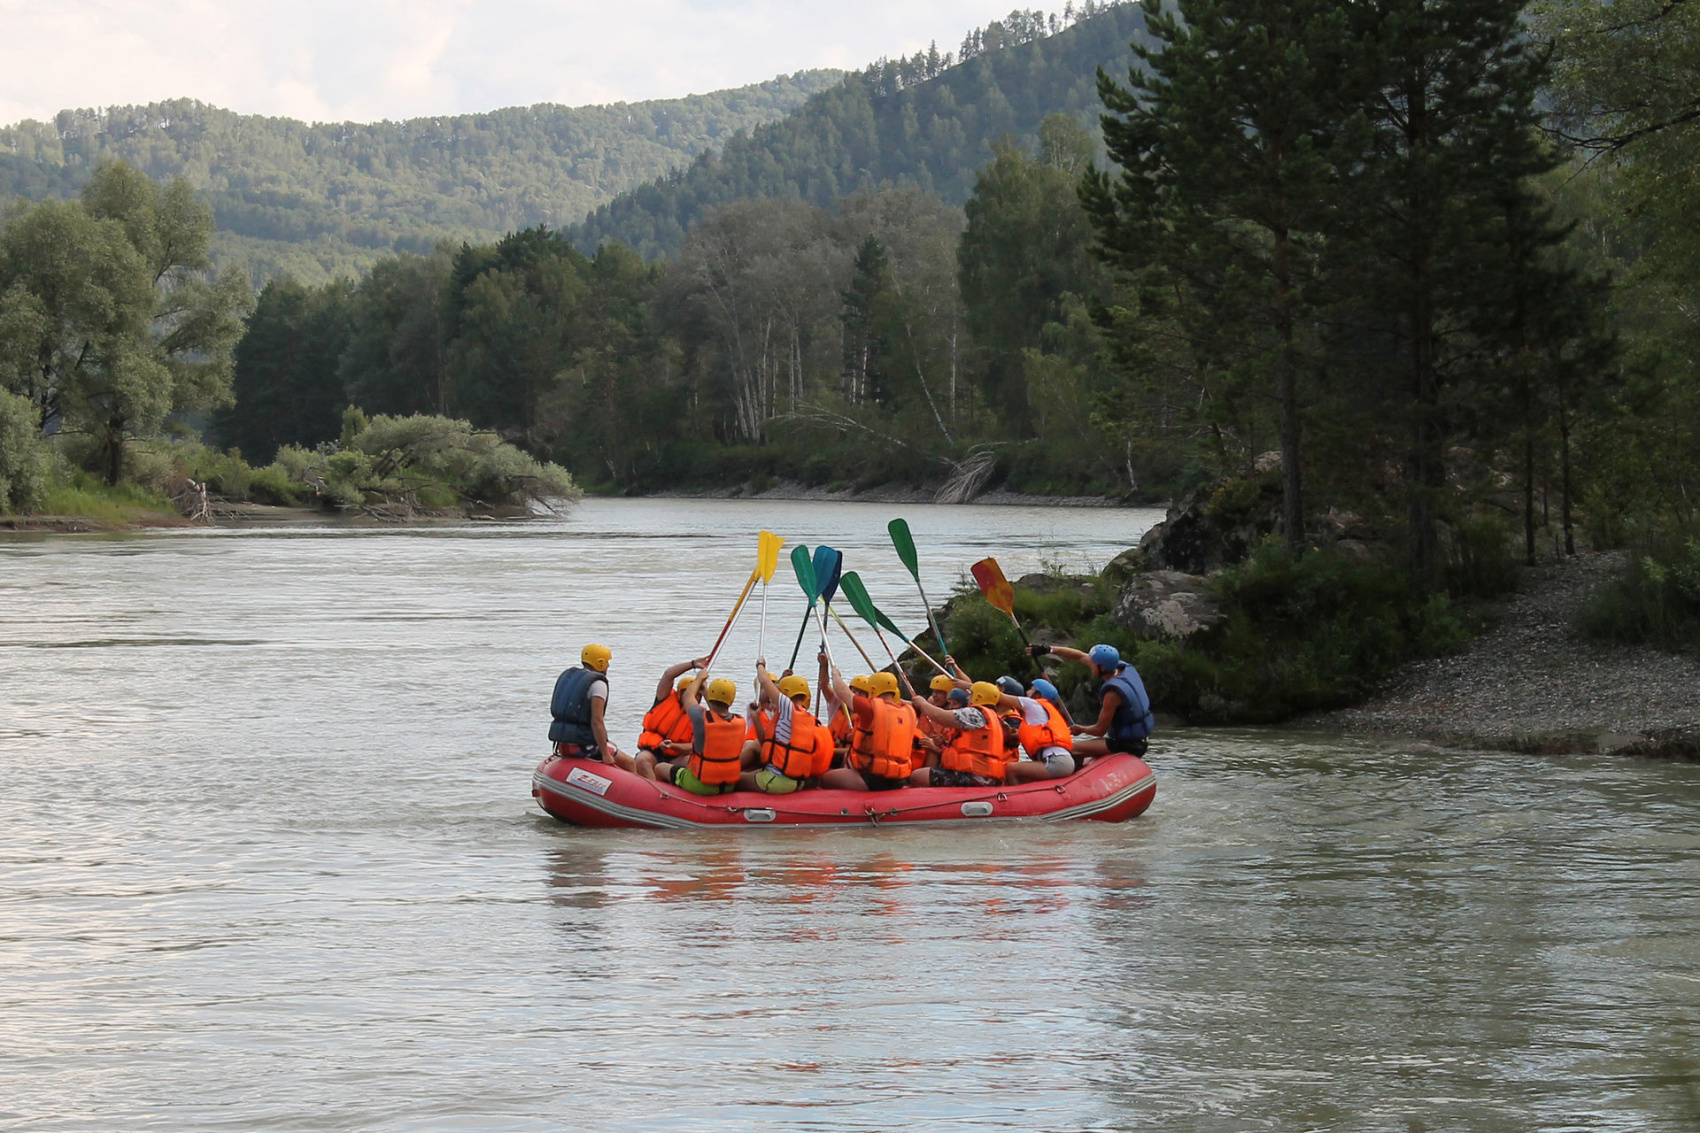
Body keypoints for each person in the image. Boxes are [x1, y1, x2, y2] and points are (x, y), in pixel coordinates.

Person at [1029, 642, 1154, 760]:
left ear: (1102, 667)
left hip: (1128, 745)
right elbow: (1078, 656)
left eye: (1092, 663)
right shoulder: (1120, 668)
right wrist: (1047, 650)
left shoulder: (1113, 694)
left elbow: (1099, 731)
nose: (1089, 664)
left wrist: (1081, 729)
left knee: (1066, 749)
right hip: (1139, 738)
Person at [819, 667, 917, 791]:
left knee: (824, 778)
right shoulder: (908, 711)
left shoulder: (870, 709)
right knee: (847, 759)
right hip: (899, 777)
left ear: (873, 690)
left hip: (871, 778)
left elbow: (841, 691)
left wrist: (835, 674)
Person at [650, 671, 746, 794]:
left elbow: (688, 696)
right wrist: (705, 691)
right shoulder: (740, 721)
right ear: (731, 701)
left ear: (710, 697)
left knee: (660, 767)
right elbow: (718, 716)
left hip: (702, 784)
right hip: (728, 785)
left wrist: (699, 678)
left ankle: (666, 801)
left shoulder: (700, 717)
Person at [909, 681, 1014, 787]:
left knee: (918, 776)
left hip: (976, 776)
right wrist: (944, 743)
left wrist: (923, 704)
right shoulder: (996, 719)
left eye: (971, 694)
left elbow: (940, 716)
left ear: (979, 697)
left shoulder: (975, 714)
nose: (968, 698)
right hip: (984, 775)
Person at [736, 661, 820, 794]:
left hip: (777, 780)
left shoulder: (788, 709)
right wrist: (756, 719)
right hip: (792, 779)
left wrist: (760, 665)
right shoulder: (805, 716)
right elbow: (766, 742)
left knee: (734, 779)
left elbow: (764, 681)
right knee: (754, 771)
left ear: (785, 694)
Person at [549, 643, 633, 771]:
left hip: (562, 744)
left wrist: (605, 742)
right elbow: (596, 721)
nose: (608, 665)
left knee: (611, 745)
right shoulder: (598, 684)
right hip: (581, 746)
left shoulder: (573, 677)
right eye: (607, 662)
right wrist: (605, 754)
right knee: (630, 763)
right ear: (600, 662)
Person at [634, 657, 708, 771]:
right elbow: (668, 675)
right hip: (653, 752)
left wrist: (674, 747)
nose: (693, 697)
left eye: (697, 695)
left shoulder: (700, 715)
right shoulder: (664, 697)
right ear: (680, 693)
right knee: (642, 759)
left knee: (695, 762)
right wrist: (692, 664)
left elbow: (695, 747)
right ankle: (652, 787)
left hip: (677, 756)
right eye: (688, 693)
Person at [1002, 676, 1077, 783]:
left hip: (1056, 762)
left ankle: (1016, 798)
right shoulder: (1042, 713)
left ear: (1038, 695)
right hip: (1063, 760)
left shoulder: (1033, 704)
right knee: (1022, 776)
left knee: (1010, 769)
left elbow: (1000, 697)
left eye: (1031, 689)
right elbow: (1033, 735)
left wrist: (973, 686)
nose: (1027, 691)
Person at [911, 672, 958, 771]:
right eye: (933, 692)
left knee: (932, 752)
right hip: (920, 748)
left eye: (939, 692)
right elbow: (910, 704)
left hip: (940, 756)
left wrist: (934, 747)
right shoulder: (928, 707)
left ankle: (925, 780)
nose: (935, 696)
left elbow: (952, 752)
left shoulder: (955, 717)